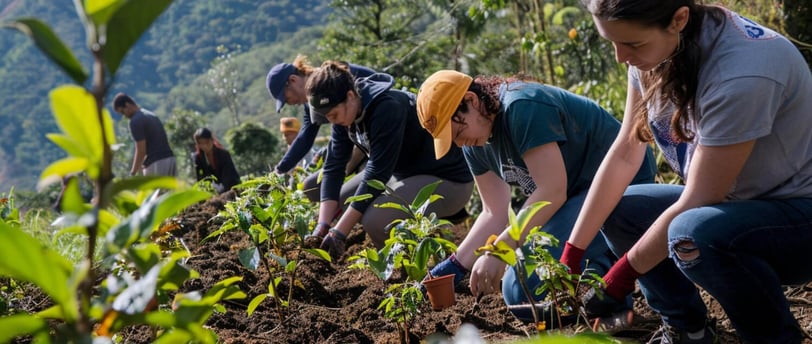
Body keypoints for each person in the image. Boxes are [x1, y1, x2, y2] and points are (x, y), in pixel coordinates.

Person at [560, 1, 812, 343]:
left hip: (797, 216)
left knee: (692, 231)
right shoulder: (658, 50)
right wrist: (572, 254)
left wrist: (620, 277)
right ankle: (688, 330)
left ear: (679, 19)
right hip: (736, 203)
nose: (620, 57)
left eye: (631, 44)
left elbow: (701, 198)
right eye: (612, 43)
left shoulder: (743, 72)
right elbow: (624, 153)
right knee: (621, 210)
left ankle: (773, 338)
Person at [415, 70, 656, 325]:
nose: (460, 144)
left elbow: (551, 192)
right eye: (452, 140)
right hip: (575, 198)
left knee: (522, 284)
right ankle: (604, 305)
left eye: (457, 132)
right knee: (519, 293)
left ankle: (613, 296)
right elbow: (493, 212)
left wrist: (500, 250)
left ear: (472, 101)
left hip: (623, 183)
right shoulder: (475, 143)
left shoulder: (522, 108)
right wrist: (454, 267)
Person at [305, 62, 475, 260]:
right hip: (403, 173)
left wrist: (339, 233)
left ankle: (404, 268)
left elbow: (377, 172)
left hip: (447, 180)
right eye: (328, 117)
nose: (332, 121)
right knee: (344, 200)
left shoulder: (387, 108)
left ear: (350, 96)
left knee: (376, 220)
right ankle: (409, 240)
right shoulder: (344, 116)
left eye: (333, 114)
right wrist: (323, 225)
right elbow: (334, 166)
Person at [267, 55, 373, 207]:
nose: (290, 103)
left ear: (293, 80)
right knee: (311, 186)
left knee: (345, 193)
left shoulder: (333, 80)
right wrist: (279, 170)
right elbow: (305, 138)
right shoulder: (310, 103)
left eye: (286, 98)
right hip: (352, 143)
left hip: (373, 139)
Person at [112, 93, 176, 177]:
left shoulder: (135, 121)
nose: (124, 115)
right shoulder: (151, 115)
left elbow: (141, 150)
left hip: (156, 163)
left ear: (127, 105)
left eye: (123, 112)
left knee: (154, 190)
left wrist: (133, 172)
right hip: (170, 160)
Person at [192, 128, 240, 194]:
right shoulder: (198, 158)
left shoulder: (223, 154)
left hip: (230, 188)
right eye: (201, 143)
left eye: (206, 143)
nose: (205, 146)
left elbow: (229, 175)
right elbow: (201, 179)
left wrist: (222, 189)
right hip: (212, 191)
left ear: (212, 140)